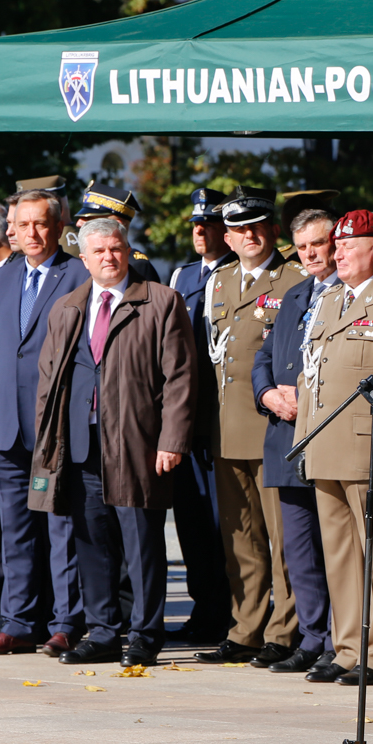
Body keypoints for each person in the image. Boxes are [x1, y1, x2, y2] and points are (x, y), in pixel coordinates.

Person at [31, 218, 196, 667]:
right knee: (91, 540)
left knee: (141, 542)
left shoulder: (161, 302)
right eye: (99, 251)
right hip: (79, 442)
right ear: (83, 258)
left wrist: (172, 439)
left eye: (116, 248)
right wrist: (49, 443)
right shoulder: (67, 306)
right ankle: (102, 631)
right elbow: (49, 380)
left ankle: (145, 632)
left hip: (137, 443)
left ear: (127, 250)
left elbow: (180, 379)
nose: (109, 256)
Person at [293, 209, 373, 686]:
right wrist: (304, 437)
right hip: (325, 443)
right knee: (340, 556)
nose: (338, 252)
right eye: (337, 245)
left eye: (349, 245)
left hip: (367, 449)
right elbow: (312, 376)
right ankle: (347, 648)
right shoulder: (328, 302)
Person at [0, 189, 89, 655]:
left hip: (57, 424)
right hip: (7, 426)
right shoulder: (0, 278)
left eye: (41, 223)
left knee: (61, 527)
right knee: (14, 527)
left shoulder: (79, 273)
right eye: (23, 225)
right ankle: (19, 621)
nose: (31, 233)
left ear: (59, 227)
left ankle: (65, 623)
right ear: (10, 230)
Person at [194, 187, 308, 667]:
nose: (249, 236)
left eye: (257, 226)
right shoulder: (218, 281)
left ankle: (284, 630)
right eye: (239, 229)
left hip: (273, 426)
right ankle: (246, 628)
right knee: (239, 536)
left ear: (274, 230)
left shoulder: (296, 278)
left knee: (283, 537)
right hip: (226, 427)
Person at [253, 208, 341, 675]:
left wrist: (302, 397)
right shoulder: (293, 295)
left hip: (330, 436)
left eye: (319, 244)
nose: (310, 254)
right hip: (285, 434)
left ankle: (338, 640)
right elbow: (263, 356)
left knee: (337, 550)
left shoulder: (351, 297)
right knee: (299, 548)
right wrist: (267, 393)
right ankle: (311, 637)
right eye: (302, 246)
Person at [162, 188, 236, 643]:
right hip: (188, 418)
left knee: (225, 522)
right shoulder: (182, 275)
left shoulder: (238, 276)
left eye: (208, 224)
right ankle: (203, 607)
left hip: (225, 417)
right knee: (190, 521)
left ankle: (231, 612)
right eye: (195, 224)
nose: (199, 231)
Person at [73, 183, 160, 283]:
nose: (79, 223)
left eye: (90, 219)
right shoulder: (81, 262)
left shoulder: (137, 265)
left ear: (117, 226)